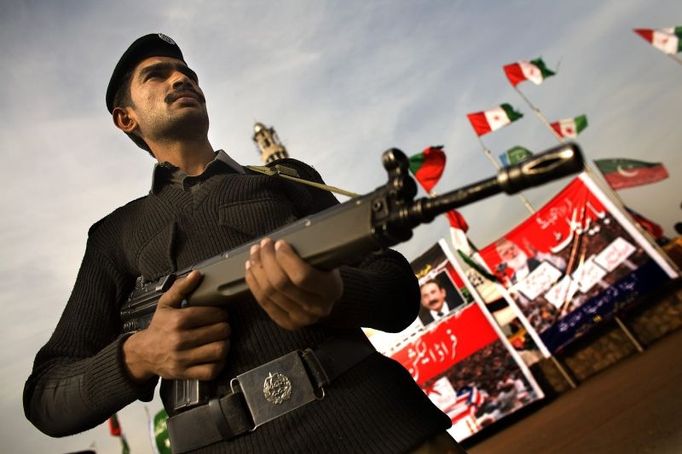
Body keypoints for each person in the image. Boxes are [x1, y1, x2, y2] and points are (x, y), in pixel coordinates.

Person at [23, 34, 464, 453]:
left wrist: (338, 293)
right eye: (157, 75)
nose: (181, 80)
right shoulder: (114, 235)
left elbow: (399, 289)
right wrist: (138, 356)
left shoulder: (289, 177)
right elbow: (45, 396)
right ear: (126, 118)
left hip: (383, 428)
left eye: (188, 74)